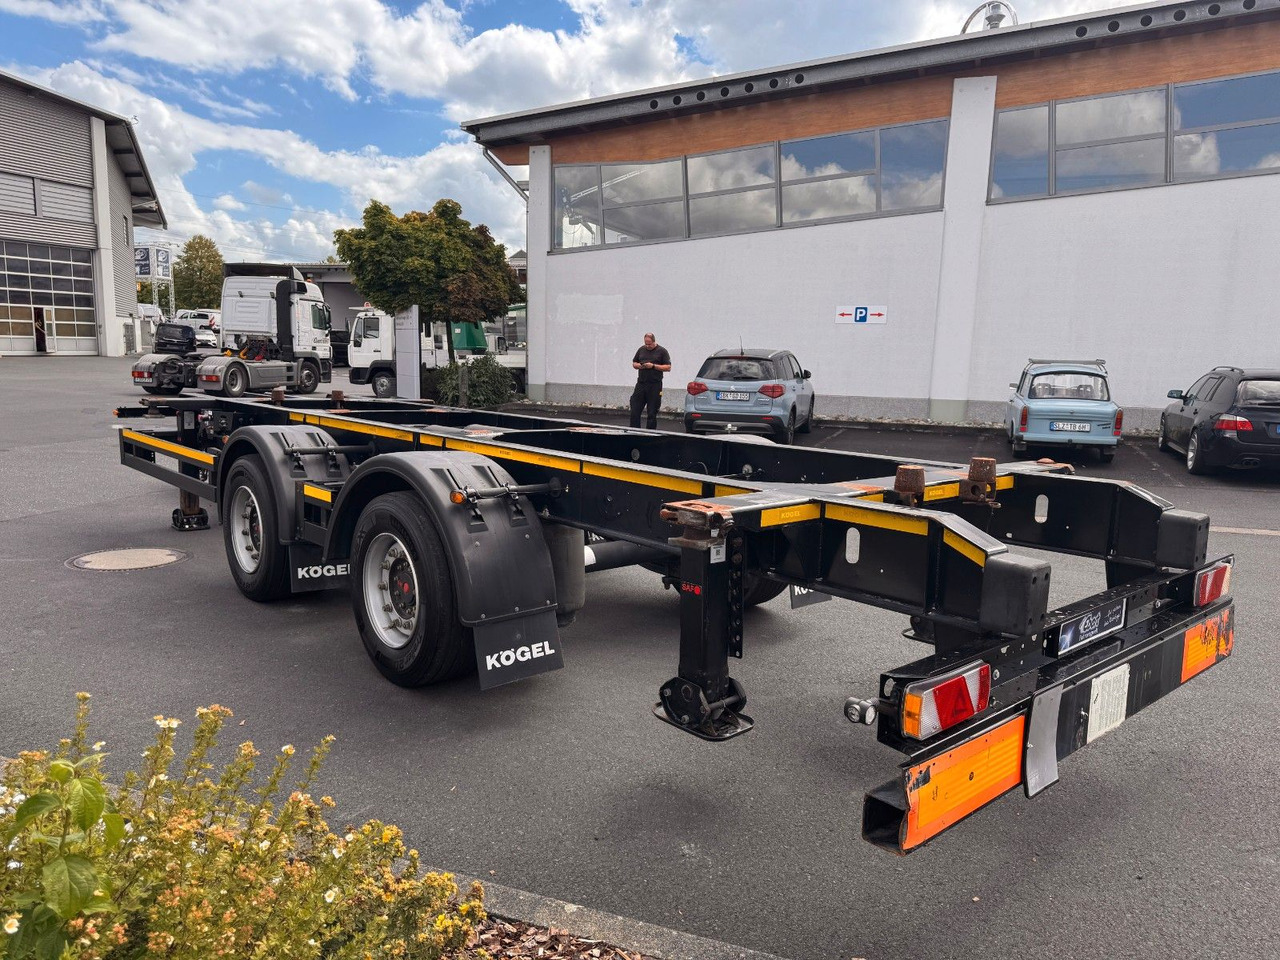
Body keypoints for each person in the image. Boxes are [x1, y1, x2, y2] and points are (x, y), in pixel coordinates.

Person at [629, 332, 671, 429]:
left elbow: (668, 367)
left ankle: (650, 431)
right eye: (646, 343)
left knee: (652, 412)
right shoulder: (641, 349)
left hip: (654, 385)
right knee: (635, 409)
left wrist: (653, 366)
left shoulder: (662, 351)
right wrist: (639, 366)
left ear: (654, 341)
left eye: (649, 344)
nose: (647, 346)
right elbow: (634, 363)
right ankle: (634, 430)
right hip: (641, 384)